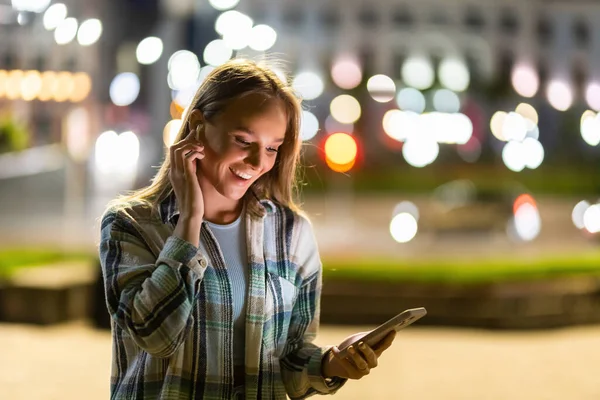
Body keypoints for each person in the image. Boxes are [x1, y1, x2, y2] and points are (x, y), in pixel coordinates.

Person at [98, 58, 396, 400]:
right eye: (243, 140)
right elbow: (155, 336)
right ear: (197, 125)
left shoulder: (290, 232)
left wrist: (333, 362)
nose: (258, 163)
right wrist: (190, 221)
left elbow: (290, 360)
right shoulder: (132, 224)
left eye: (272, 148)